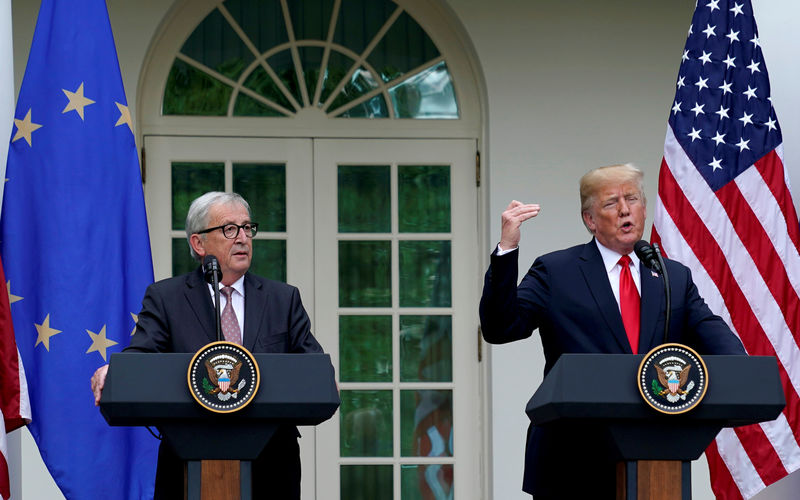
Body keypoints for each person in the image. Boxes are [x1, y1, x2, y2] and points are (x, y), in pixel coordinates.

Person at [479, 164, 745, 499]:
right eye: (611, 203)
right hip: (573, 462)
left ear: (644, 209)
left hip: (656, 456)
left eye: (632, 199)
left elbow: (715, 337)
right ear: (589, 219)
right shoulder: (556, 271)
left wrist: (743, 374)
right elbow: (500, 328)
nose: (624, 209)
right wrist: (507, 249)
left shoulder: (672, 277)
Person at [91, 191, 324, 500]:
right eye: (229, 229)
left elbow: (312, 368)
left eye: (247, 228)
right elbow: (141, 357)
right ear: (198, 244)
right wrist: (116, 371)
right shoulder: (166, 299)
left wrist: (323, 376)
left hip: (272, 463)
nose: (242, 238)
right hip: (188, 461)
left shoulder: (282, 299)